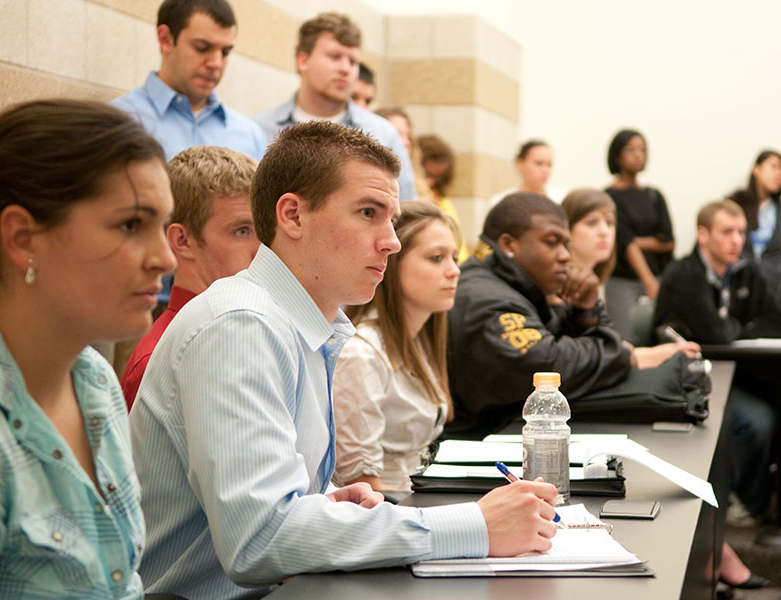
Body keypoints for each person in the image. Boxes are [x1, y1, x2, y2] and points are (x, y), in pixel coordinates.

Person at [130, 121, 558, 599]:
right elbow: (259, 539)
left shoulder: (297, 324)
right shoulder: (239, 325)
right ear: (292, 215)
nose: (391, 241)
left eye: (391, 219)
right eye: (368, 213)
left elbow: (264, 514)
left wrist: (324, 504)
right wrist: (475, 524)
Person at [0, 99, 175, 598]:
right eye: (131, 225)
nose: (164, 258)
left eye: (162, 225)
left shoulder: (92, 380)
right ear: (23, 237)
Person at [653, 199, 777, 591]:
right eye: (727, 232)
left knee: (771, 412)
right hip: (688, 381)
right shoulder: (683, 275)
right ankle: (738, 507)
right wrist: (741, 325)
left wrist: (735, 325)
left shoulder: (746, 271)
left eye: (741, 232)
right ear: (703, 235)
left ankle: (752, 505)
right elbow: (717, 334)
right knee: (754, 423)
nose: (736, 241)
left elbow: (771, 319)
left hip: (738, 371)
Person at [446, 192, 633, 439]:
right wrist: (615, 351)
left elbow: (561, 342)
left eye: (566, 244)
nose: (565, 255)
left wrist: (586, 311)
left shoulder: (511, 285)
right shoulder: (486, 298)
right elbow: (548, 367)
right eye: (551, 241)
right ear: (509, 245)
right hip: (465, 449)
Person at [333, 201, 461, 491]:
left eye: (454, 258)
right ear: (392, 263)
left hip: (416, 496)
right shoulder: (361, 354)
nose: (454, 271)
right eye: (437, 258)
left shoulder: (419, 339)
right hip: (388, 510)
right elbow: (362, 486)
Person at [120, 145, 259, 410]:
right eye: (242, 231)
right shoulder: (157, 361)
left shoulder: (259, 332)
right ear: (182, 241)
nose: (262, 250)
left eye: (264, 229)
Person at [252, 12, 416, 201]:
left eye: (353, 61)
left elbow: (406, 216)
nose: (346, 69)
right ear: (303, 60)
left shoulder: (383, 135)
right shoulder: (258, 131)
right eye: (335, 56)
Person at [112, 0, 266, 162]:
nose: (216, 63)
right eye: (202, 47)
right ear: (165, 39)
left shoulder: (251, 136)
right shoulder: (120, 123)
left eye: (225, 52)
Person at [562, 188, 699, 367]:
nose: (604, 231)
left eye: (610, 223)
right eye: (592, 222)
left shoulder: (594, 281)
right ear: (566, 228)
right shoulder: (561, 283)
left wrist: (663, 353)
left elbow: (611, 347)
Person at [604, 129, 674, 341]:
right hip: (623, 281)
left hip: (660, 276)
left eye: (642, 150)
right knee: (624, 340)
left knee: (660, 336)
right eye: (630, 150)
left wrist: (636, 241)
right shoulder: (609, 196)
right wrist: (649, 281)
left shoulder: (654, 195)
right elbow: (624, 244)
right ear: (616, 155)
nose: (637, 155)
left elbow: (668, 242)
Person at [729, 149, 781, 300]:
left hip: (773, 289)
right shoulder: (734, 204)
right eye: (773, 166)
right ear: (756, 169)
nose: (778, 174)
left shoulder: (778, 211)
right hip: (737, 284)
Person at [418, 133, 469, 261]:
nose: (431, 182)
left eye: (437, 177)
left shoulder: (445, 203)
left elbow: (460, 249)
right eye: (427, 175)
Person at [490, 139, 565, 206]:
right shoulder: (500, 202)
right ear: (520, 163)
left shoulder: (562, 200)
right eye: (538, 163)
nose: (545, 170)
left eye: (549, 165)